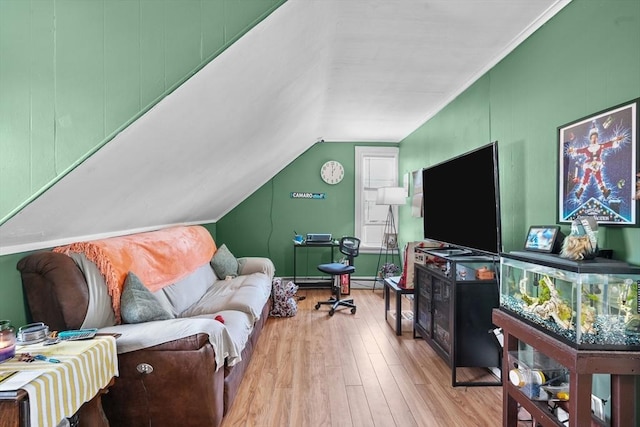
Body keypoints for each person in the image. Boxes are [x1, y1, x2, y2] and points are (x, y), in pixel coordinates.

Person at [570, 124, 624, 199]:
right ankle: (580, 191)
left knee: (598, 177)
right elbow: (579, 151)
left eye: (595, 138)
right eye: (592, 138)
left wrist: (617, 140)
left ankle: (604, 191)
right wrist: (573, 151)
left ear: (597, 138)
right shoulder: (587, 149)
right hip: (589, 164)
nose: (594, 139)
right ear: (590, 139)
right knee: (586, 177)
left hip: (596, 165)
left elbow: (609, 144)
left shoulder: (600, 146)